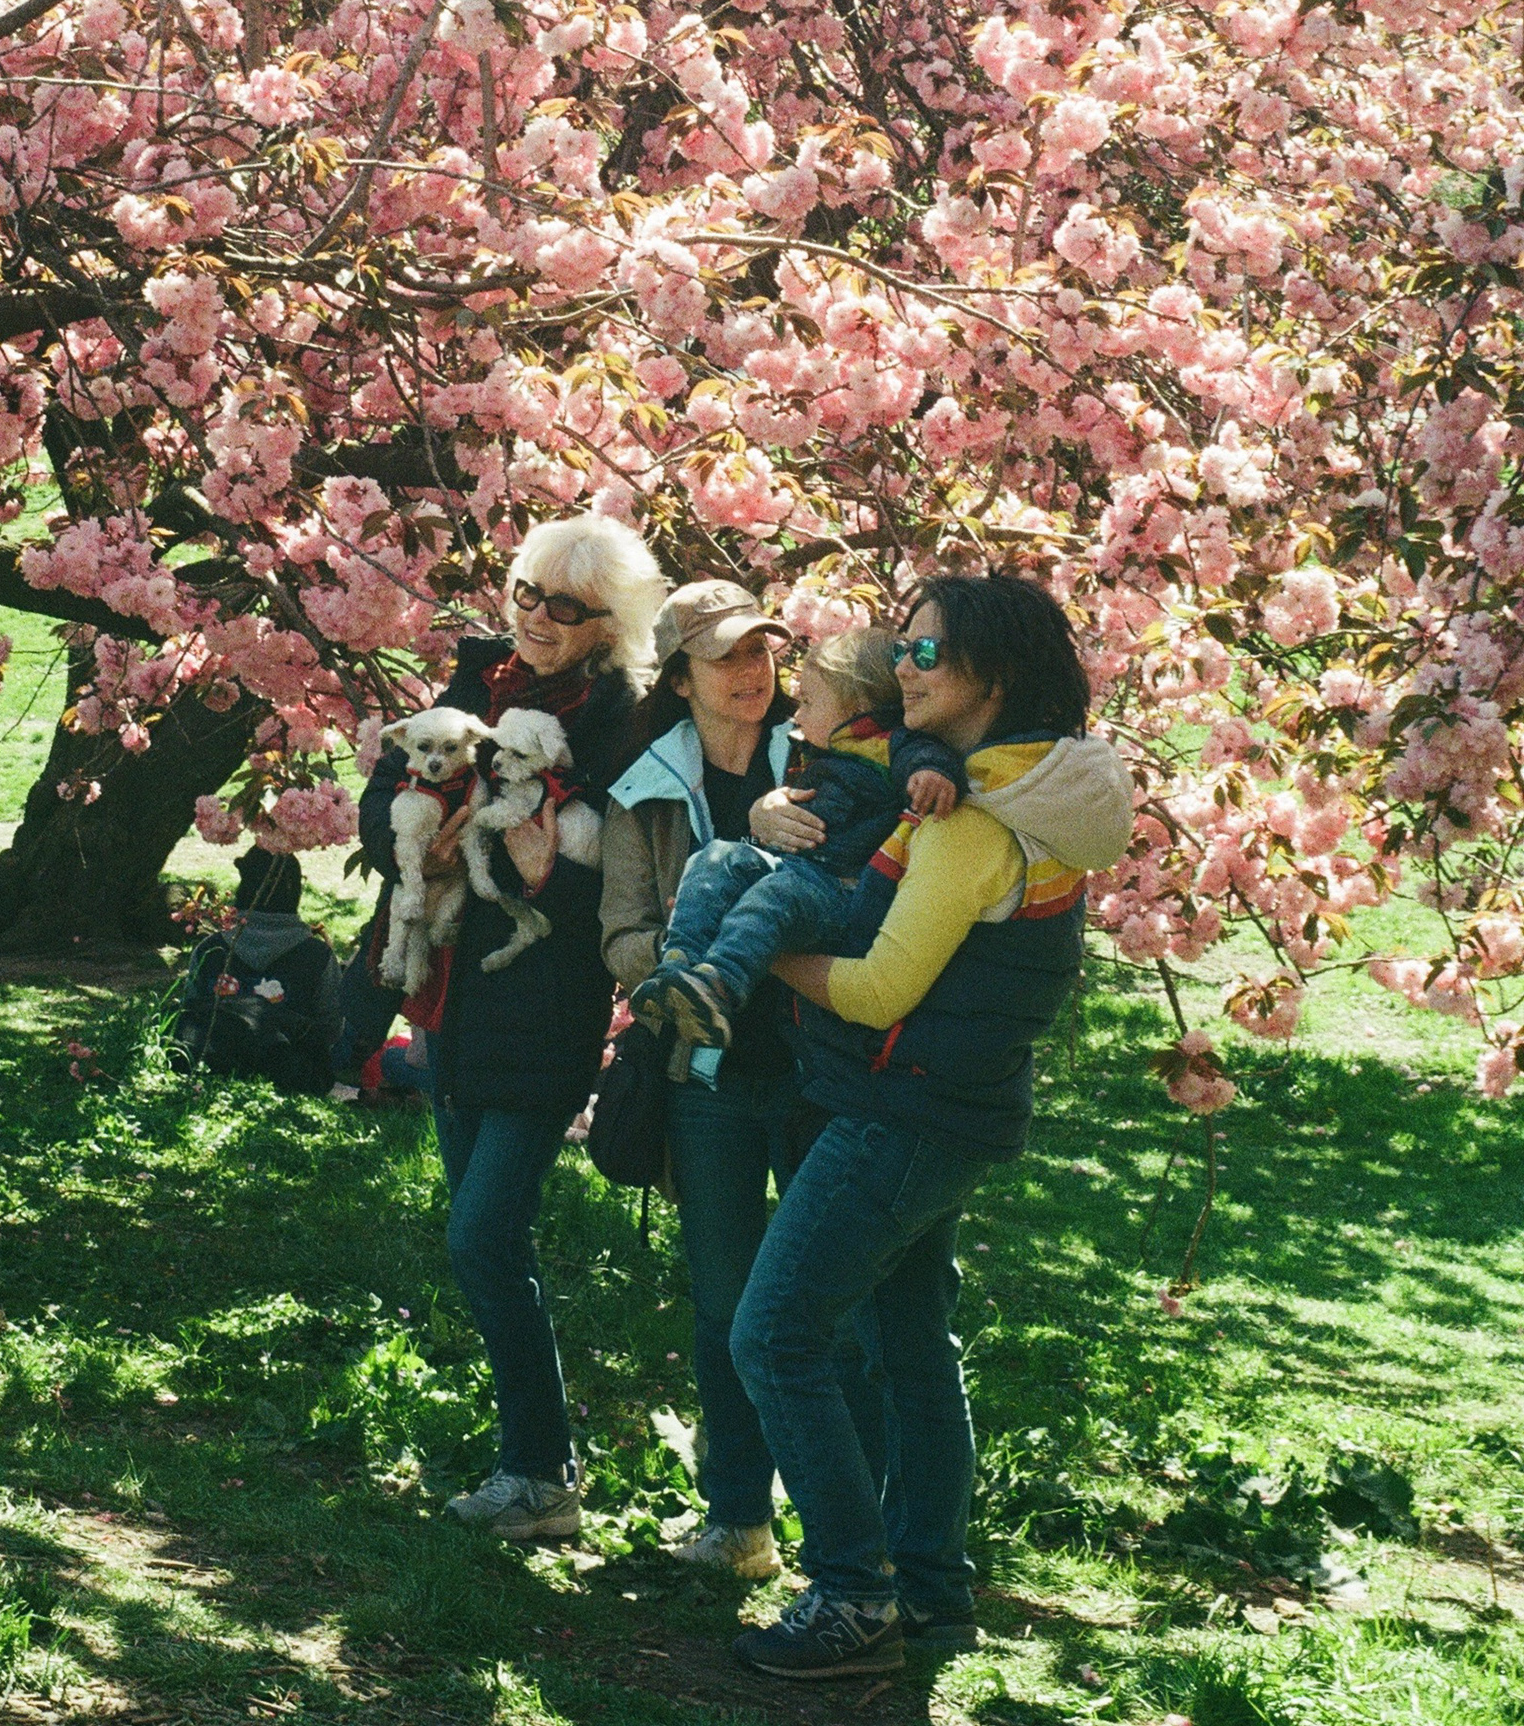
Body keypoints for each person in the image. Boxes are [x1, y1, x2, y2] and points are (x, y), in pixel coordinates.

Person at [728, 573, 1133, 1683]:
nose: (902, 668)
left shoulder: (974, 827)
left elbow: (873, 990)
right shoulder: (1023, 795)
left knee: (774, 1335)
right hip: (952, 1110)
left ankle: (856, 1593)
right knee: (908, 1346)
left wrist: (755, 951)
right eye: (901, 650)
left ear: (993, 678)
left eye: (926, 654)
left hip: (897, 1112)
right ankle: (934, 1592)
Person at [359, 512, 664, 1544]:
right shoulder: (473, 680)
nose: (533, 618)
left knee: (483, 1231)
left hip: (541, 1005)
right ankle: (537, 1466)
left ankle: (539, 1470)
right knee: (490, 1236)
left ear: (606, 625)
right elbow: (376, 807)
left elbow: (621, 881)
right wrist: (428, 846)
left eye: (563, 607)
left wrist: (537, 868)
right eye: (526, 591)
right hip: (447, 995)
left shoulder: (624, 726)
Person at [601, 583, 893, 1581]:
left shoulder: (827, 759)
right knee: (727, 1303)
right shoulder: (644, 789)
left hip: (823, 1069)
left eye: (765, 652)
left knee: (837, 1308)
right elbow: (621, 939)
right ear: (679, 676)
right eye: (725, 657)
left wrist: (759, 928)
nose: (752, 673)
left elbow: (875, 896)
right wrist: (707, 914)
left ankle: (858, 1532)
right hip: (711, 1079)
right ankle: (739, 1523)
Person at [626, 625, 963, 1055]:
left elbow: (925, 753)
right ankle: (679, 962)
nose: (797, 716)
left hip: (841, 890)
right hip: (800, 871)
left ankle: (720, 983)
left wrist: (931, 774)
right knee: (716, 858)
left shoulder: (888, 743)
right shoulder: (822, 748)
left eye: (807, 702)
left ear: (856, 707)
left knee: (775, 896)